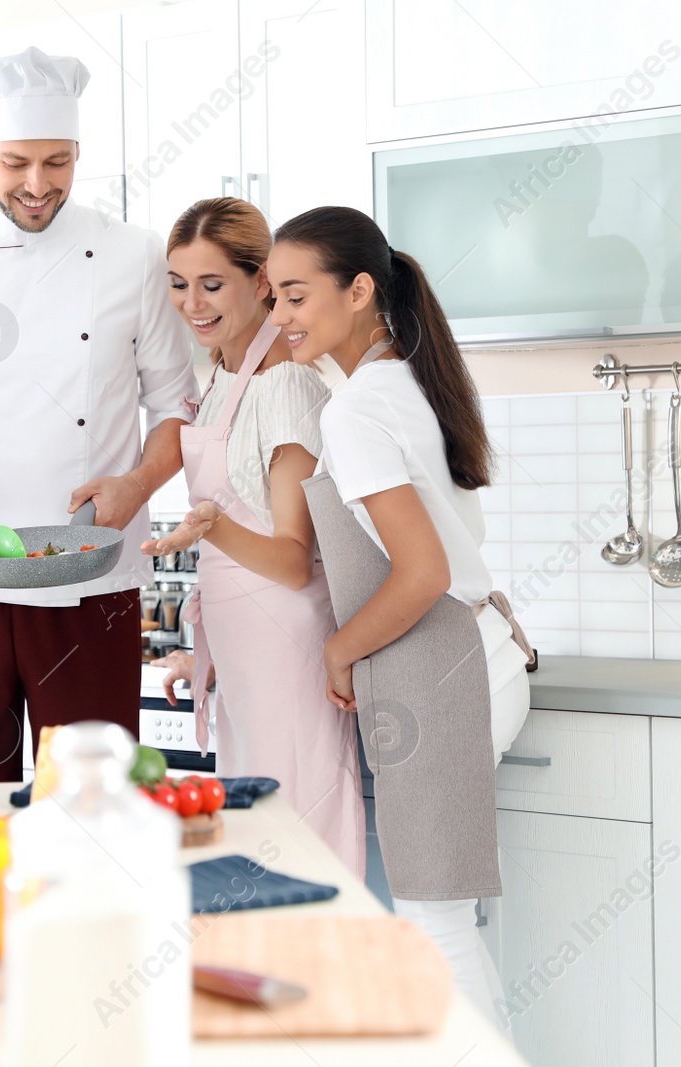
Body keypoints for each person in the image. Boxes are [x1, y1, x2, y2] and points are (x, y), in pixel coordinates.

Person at [0, 46, 194, 782]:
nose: (37, 184)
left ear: (79, 153)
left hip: (93, 572)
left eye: (57, 162)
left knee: (93, 803)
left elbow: (180, 408)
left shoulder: (135, 255)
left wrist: (138, 484)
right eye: (15, 163)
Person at [267, 205, 536, 1030]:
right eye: (272, 298)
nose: (279, 317)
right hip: (471, 653)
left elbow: (419, 572)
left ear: (357, 291)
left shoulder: (356, 412)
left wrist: (340, 650)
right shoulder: (401, 378)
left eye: (295, 296)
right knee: (436, 917)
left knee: (434, 922)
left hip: (439, 664)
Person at [142, 198, 364, 877]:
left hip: (288, 648)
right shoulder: (222, 378)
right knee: (254, 840)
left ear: (261, 279)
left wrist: (213, 526)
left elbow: (294, 561)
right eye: (178, 284)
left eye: (212, 284)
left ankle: (319, 975)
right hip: (244, 655)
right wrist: (204, 658)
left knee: (295, 834)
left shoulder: (287, 384)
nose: (191, 303)